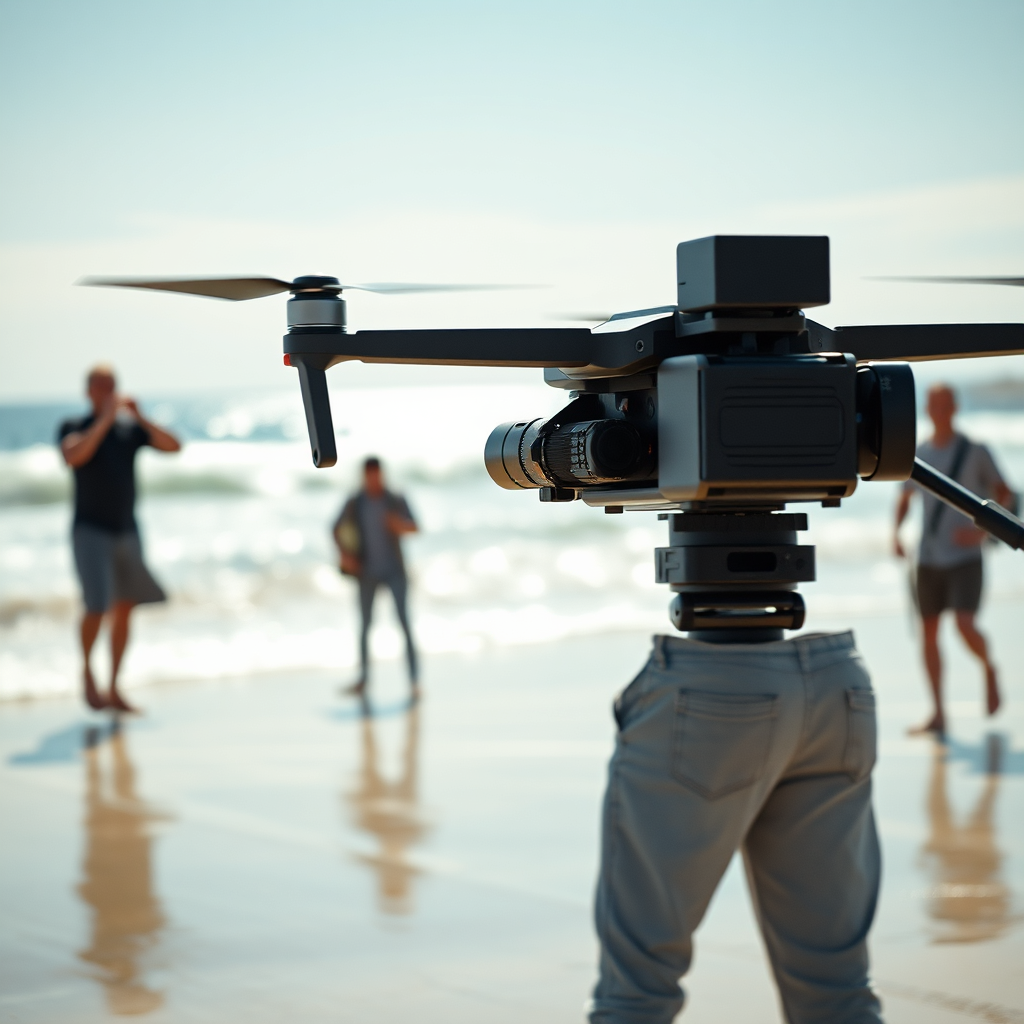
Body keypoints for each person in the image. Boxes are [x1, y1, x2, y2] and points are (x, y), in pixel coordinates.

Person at [59, 365, 181, 712]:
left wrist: (140, 418)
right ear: (89, 392)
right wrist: (104, 421)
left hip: (127, 530)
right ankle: (86, 673)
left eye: (112, 386)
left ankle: (114, 687)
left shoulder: (130, 431)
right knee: (96, 605)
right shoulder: (75, 426)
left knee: (125, 607)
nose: (108, 391)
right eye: (101, 387)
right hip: (89, 530)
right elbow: (73, 455)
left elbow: (174, 446)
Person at [894, 383, 1012, 735]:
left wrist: (983, 533)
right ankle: (938, 713)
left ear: (955, 408)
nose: (939, 411)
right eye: (934, 405)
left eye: (945, 405)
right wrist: (895, 533)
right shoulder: (920, 452)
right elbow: (904, 497)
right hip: (928, 557)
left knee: (964, 624)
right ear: (927, 410)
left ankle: (989, 667)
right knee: (928, 634)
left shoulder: (975, 451)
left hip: (965, 557)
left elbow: (1006, 494)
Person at [333, 457, 419, 697]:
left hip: (395, 571)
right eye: (369, 476)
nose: (373, 480)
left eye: (377, 475)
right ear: (364, 476)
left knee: (404, 623)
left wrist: (397, 525)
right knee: (365, 627)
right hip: (366, 573)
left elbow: (414, 527)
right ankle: (364, 679)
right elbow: (335, 528)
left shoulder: (394, 499)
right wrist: (344, 555)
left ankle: (414, 682)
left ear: (382, 474)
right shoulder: (355, 502)